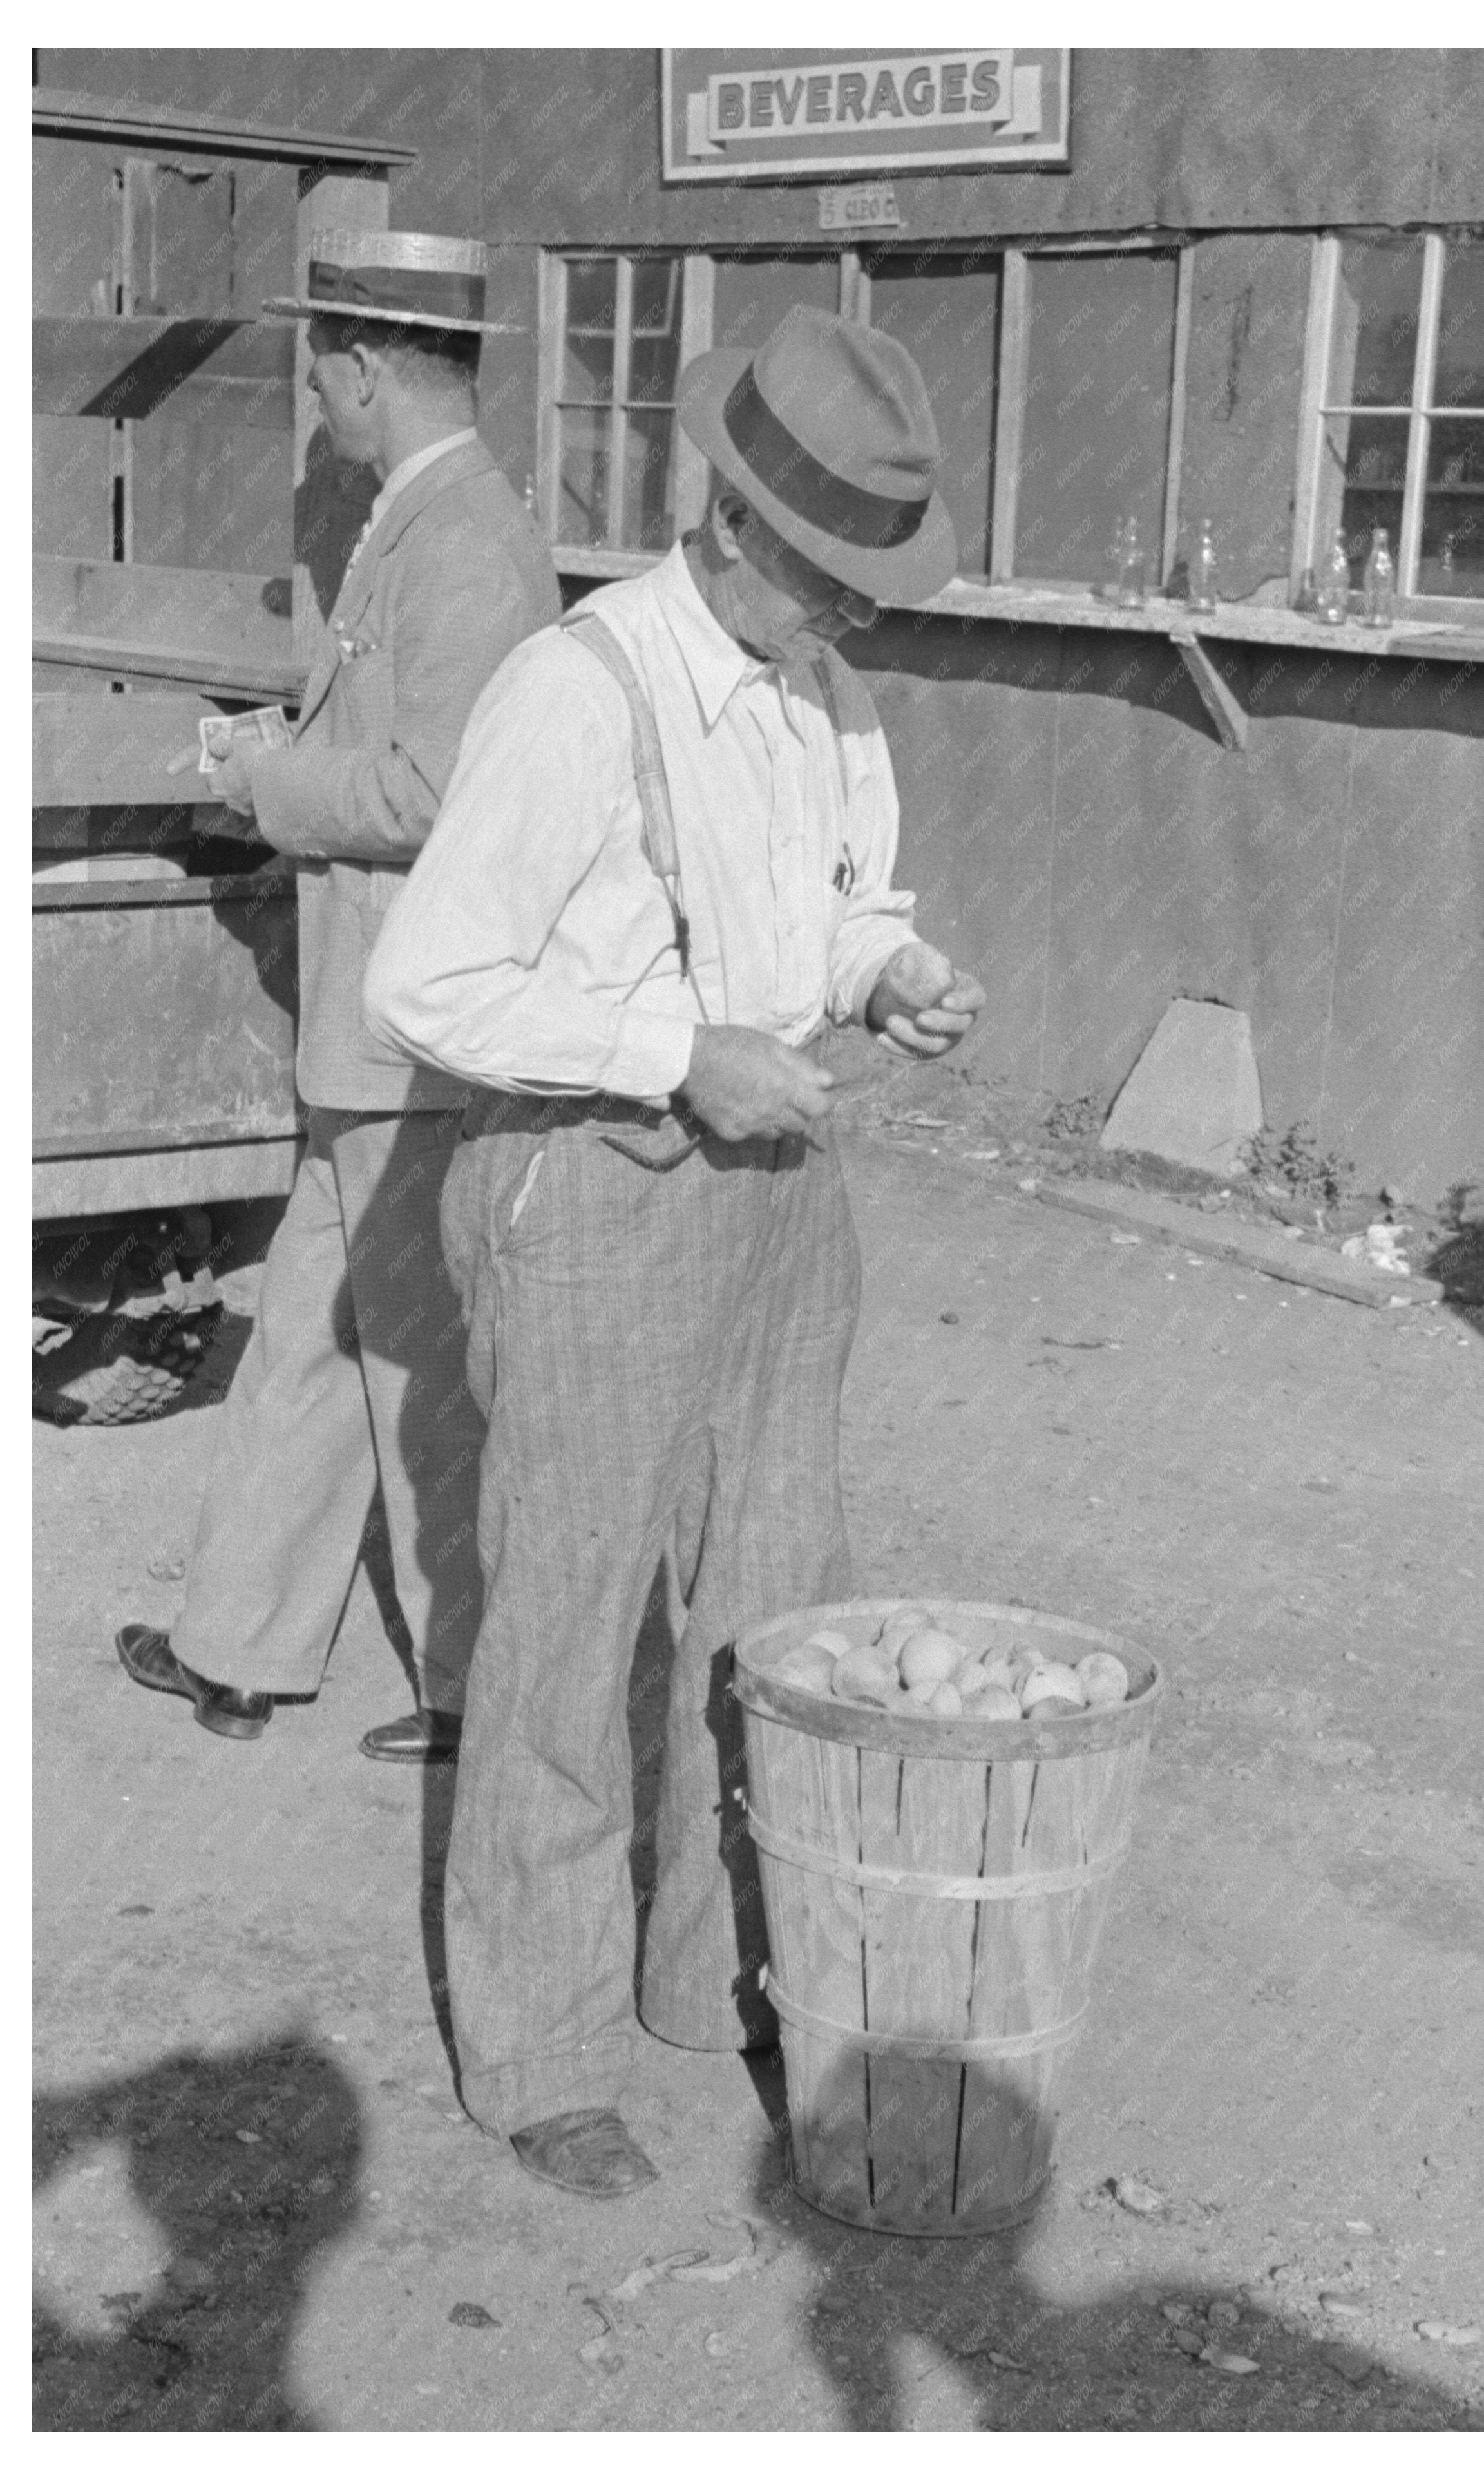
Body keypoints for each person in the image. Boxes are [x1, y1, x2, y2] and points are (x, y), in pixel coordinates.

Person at [363, 305, 986, 2193]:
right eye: (828, 579)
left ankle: (711, 1978)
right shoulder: (579, 688)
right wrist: (668, 1051)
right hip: (598, 1184)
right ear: (725, 520)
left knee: (771, 1608)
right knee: (561, 1620)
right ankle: (540, 2047)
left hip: (782, 1192)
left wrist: (893, 974)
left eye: (867, 588)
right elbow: (428, 980)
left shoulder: (825, 691)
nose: (852, 618)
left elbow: (837, 900)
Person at [116, 230, 562, 1763]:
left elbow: (441, 788)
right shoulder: (419, 517)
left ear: (367, 368)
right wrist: (279, 737)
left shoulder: (466, 542)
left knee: (416, 1359)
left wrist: (265, 781)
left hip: (416, 1026)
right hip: (365, 1028)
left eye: (321, 359)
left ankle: (474, 1683)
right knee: (307, 1329)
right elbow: (380, 723)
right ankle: (236, 1644)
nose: (313, 385)